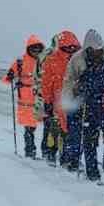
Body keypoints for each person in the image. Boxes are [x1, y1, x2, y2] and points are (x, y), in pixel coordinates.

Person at [64, 29, 104, 182]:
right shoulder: (77, 60)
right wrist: (74, 92)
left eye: (99, 49)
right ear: (87, 48)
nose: (97, 52)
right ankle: (92, 171)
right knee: (90, 139)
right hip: (87, 105)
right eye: (93, 49)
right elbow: (68, 81)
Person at [38, 30, 81, 171]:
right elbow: (46, 83)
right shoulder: (52, 60)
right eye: (68, 47)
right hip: (59, 102)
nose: (71, 50)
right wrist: (48, 101)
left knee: (71, 132)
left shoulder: (80, 59)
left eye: (73, 47)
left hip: (74, 101)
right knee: (57, 130)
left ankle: (67, 158)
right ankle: (53, 154)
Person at [2, 35, 46, 158]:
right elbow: (6, 79)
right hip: (26, 101)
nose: (36, 51)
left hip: (41, 99)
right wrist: (10, 75)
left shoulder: (45, 60)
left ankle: (46, 154)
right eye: (33, 48)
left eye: (38, 49)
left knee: (47, 128)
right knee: (30, 128)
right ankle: (30, 152)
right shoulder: (20, 61)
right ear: (28, 48)